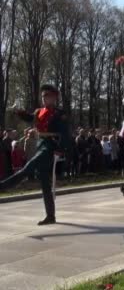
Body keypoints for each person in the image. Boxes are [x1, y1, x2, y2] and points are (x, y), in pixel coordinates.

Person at [0, 84, 71, 225]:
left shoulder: (59, 113)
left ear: (54, 98)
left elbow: (65, 134)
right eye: (43, 96)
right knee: (44, 182)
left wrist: (60, 149)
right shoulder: (39, 111)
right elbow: (29, 118)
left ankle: (2, 186)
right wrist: (18, 111)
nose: (44, 98)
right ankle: (50, 216)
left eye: (47, 96)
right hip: (41, 145)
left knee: (28, 168)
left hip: (51, 146)